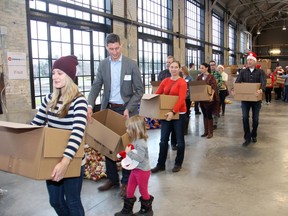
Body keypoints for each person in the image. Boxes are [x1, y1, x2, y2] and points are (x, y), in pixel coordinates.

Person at [87, 33, 144, 196]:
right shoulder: (103, 64)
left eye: (117, 48)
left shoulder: (131, 65)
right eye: (111, 49)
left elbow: (139, 90)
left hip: (126, 111)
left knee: (127, 147)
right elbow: (96, 85)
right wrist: (90, 105)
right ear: (106, 47)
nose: (114, 52)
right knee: (108, 145)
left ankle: (126, 182)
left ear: (121, 45)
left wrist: (129, 107)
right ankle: (112, 178)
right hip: (109, 109)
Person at [31, 55, 88, 216]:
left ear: (69, 76)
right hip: (52, 158)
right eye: (54, 72)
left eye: (60, 73)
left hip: (72, 160)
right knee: (55, 201)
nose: (55, 76)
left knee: (73, 202)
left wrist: (64, 162)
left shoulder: (79, 102)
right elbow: (35, 124)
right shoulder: (49, 100)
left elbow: (77, 133)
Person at [151, 60, 187, 173]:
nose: (174, 69)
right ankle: (160, 164)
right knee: (163, 141)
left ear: (180, 69)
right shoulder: (165, 81)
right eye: (172, 67)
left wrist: (173, 111)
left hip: (179, 114)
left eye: (176, 67)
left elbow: (181, 99)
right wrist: (149, 102)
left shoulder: (182, 82)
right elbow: (158, 93)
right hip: (166, 114)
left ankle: (178, 164)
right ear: (169, 68)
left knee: (180, 141)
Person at [115, 116, 154, 216]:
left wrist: (129, 154)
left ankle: (147, 210)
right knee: (130, 188)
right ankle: (127, 210)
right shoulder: (135, 140)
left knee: (143, 190)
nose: (126, 130)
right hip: (135, 170)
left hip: (142, 171)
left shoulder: (140, 143)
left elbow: (140, 158)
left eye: (128, 128)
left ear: (135, 129)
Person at [234, 51, 266, 147]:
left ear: (255, 62)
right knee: (244, 118)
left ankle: (254, 134)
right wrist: (234, 90)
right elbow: (237, 82)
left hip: (256, 100)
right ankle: (247, 137)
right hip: (245, 100)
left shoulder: (260, 72)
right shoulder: (243, 72)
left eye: (251, 60)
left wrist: (261, 90)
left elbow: (263, 83)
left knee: (255, 119)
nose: (249, 61)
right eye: (248, 60)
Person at [158, 55, 177, 150]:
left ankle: (174, 143)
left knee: (173, 125)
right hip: (164, 102)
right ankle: (164, 141)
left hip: (174, 103)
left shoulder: (177, 75)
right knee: (164, 123)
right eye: (167, 62)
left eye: (170, 62)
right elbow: (158, 87)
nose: (168, 64)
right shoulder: (162, 74)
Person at [196, 63, 218, 139]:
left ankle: (210, 132)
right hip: (202, 99)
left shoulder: (211, 77)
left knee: (209, 114)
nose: (200, 69)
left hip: (209, 99)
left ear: (207, 68)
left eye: (202, 68)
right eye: (200, 68)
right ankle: (205, 131)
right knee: (204, 114)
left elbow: (214, 87)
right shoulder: (199, 77)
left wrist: (211, 96)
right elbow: (197, 87)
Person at [209, 60, 222, 129]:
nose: (212, 66)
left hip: (216, 94)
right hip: (208, 94)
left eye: (213, 65)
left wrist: (215, 87)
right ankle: (210, 122)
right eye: (211, 65)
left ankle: (215, 123)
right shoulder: (208, 74)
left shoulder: (218, 74)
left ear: (215, 65)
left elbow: (220, 82)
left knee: (216, 108)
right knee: (209, 108)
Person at [181, 65, 193, 135]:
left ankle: (185, 129)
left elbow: (191, 88)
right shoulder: (180, 77)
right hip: (181, 98)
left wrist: (187, 95)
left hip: (187, 98)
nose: (181, 71)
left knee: (186, 113)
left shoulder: (190, 78)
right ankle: (181, 128)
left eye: (182, 70)